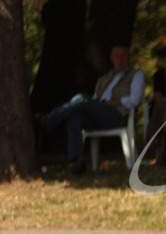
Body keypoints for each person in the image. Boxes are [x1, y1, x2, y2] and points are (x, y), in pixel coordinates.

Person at [37, 44, 145, 175]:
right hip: (99, 114)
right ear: (111, 58)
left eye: (124, 56)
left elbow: (135, 99)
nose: (120, 59)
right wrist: (96, 104)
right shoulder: (103, 79)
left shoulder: (136, 75)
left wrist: (111, 102)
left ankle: (47, 121)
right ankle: (76, 161)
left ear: (129, 58)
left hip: (118, 116)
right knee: (75, 116)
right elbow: (94, 101)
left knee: (81, 98)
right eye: (117, 56)